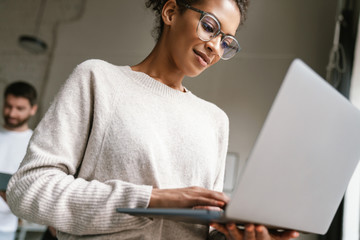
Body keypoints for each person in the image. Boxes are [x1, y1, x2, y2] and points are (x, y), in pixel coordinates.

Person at [6, 0, 299, 239]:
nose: (214, 47)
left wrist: (237, 235)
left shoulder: (215, 121)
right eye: (210, 27)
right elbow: (28, 188)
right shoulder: (97, 79)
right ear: (171, 12)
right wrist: (152, 200)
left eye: (226, 41)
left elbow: (202, 228)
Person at [0, 81, 38, 240]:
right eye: (8, 106)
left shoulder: (36, 145)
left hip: (5, 227)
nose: (12, 113)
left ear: (33, 109)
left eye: (20, 108)